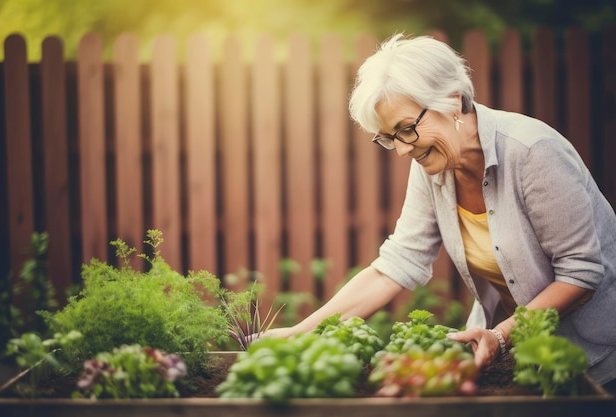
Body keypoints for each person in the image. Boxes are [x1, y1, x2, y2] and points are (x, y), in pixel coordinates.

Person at [264, 34, 616, 389]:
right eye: (389, 137)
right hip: (528, 356)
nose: (402, 150)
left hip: (598, 360)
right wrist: (300, 332)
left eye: (406, 129)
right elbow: (398, 262)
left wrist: (503, 335)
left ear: (453, 101)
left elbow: (580, 273)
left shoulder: (532, 152)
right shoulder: (433, 163)